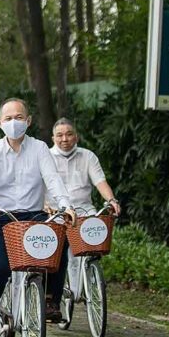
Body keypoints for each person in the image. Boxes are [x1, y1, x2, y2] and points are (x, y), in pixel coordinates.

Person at [0, 98, 74, 337]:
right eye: (8, 118)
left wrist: (66, 206)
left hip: (34, 215)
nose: (14, 122)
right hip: (0, 216)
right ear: (0, 123)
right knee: (1, 267)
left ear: (28, 121)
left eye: (19, 117)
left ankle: (50, 299)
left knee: (60, 239)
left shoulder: (39, 148)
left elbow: (52, 180)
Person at [48, 118, 121, 299]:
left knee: (89, 248)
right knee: (56, 256)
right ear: (53, 138)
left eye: (69, 134)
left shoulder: (88, 156)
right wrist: (45, 205)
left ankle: (87, 280)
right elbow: (39, 186)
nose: (64, 139)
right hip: (56, 213)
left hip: (83, 211)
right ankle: (57, 294)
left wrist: (111, 200)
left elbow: (100, 182)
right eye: (60, 135)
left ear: (76, 137)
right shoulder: (46, 157)